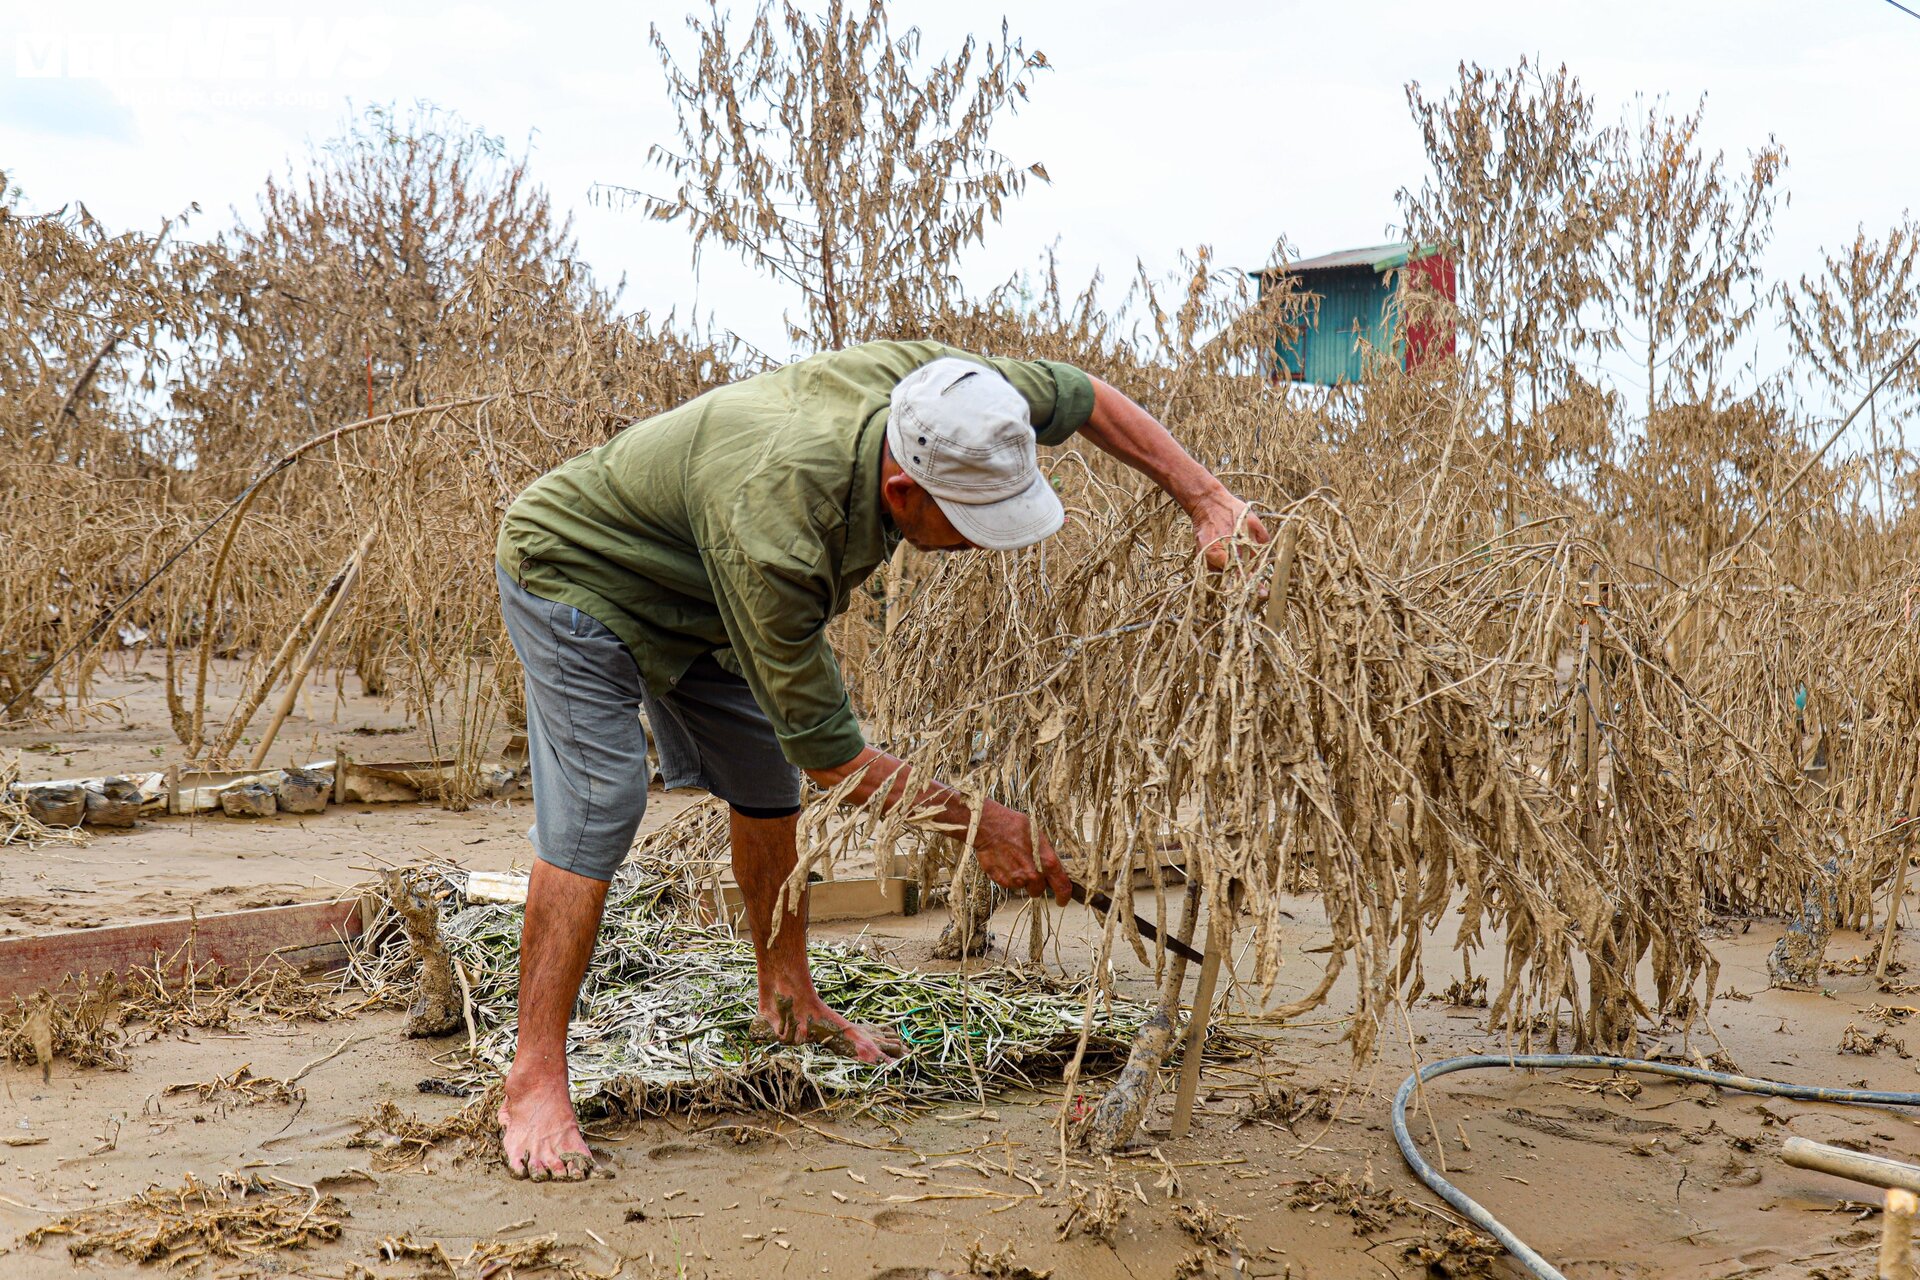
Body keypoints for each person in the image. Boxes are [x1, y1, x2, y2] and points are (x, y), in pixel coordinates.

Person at [492, 340, 1267, 1180]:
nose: (981, 545)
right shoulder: (780, 530)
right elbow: (832, 756)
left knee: (760, 779)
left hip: (703, 586)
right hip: (576, 570)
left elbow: (1090, 397)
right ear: (902, 490)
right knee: (603, 802)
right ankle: (534, 1076)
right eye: (969, 524)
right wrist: (979, 827)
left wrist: (1207, 498)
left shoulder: (961, 401)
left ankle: (787, 996)